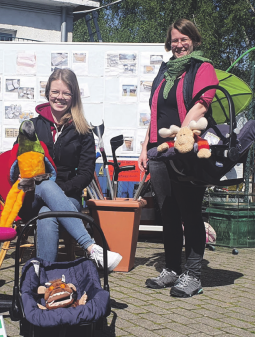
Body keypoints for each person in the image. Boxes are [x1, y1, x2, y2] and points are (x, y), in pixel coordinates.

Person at [137, 19, 219, 297]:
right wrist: (143, 148)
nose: (179, 44)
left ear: (194, 40)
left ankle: (193, 275)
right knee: (168, 213)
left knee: (189, 212)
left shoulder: (202, 67)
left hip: (187, 150)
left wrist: (183, 133)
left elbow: (202, 103)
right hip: (160, 151)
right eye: (175, 39)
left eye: (184, 39)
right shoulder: (164, 71)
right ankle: (172, 269)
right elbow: (155, 111)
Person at [18, 68, 122, 271]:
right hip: (32, 195)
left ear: (74, 96)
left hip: (69, 198)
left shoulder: (83, 131)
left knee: (48, 213)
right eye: (55, 92)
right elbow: (19, 162)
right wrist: (47, 187)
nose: (60, 97)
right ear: (47, 92)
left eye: (66, 93)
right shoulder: (31, 126)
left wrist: (58, 192)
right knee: (46, 186)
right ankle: (92, 247)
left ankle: (44, 277)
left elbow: (85, 173)